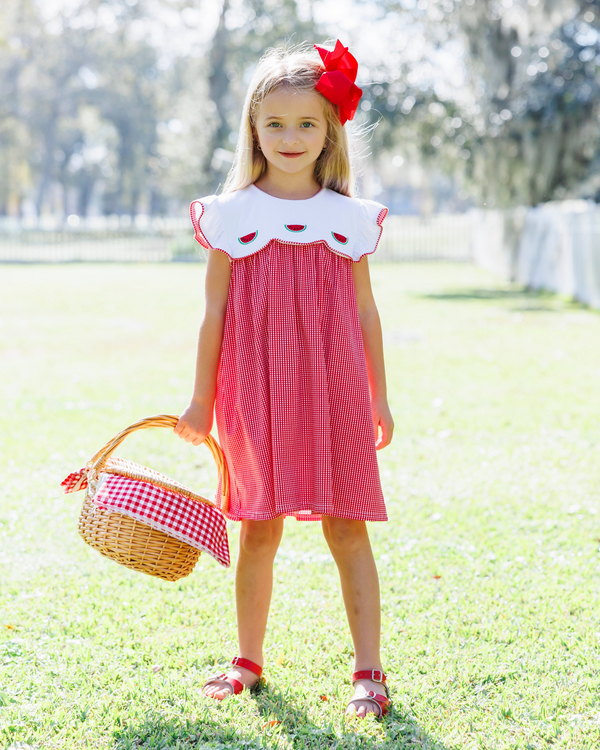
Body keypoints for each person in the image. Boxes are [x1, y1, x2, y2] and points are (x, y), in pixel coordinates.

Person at [174, 40, 394, 719]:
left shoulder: (347, 220)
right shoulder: (231, 214)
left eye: (306, 124)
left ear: (330, 131)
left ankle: (369, 670)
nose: (291, 137)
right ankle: (247, 658)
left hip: (335, 391)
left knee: (347, 527)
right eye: (276, 124)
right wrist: (200, 400)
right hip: (256, 391)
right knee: (259, 528)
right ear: (253, 128)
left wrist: (379, 395)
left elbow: (365, 312)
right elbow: (213, 314)